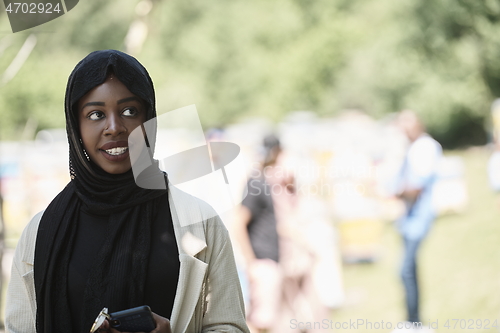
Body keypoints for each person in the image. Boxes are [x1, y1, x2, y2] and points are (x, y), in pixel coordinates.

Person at [5, 50, 249, 333]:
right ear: (76, 127)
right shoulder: (40, 232)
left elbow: (230, 327)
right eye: (96, 114)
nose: (114, 127)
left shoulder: (200, 222)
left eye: (129, 111)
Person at [394, 110, 442, 329]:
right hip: (409, 218)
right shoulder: (413, 147)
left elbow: (417, 186)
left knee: (405, 270)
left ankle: (415, 323)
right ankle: (413, 320)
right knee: (409, 271)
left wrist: (395, 192)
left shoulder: (425, 147)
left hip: (419, 217)